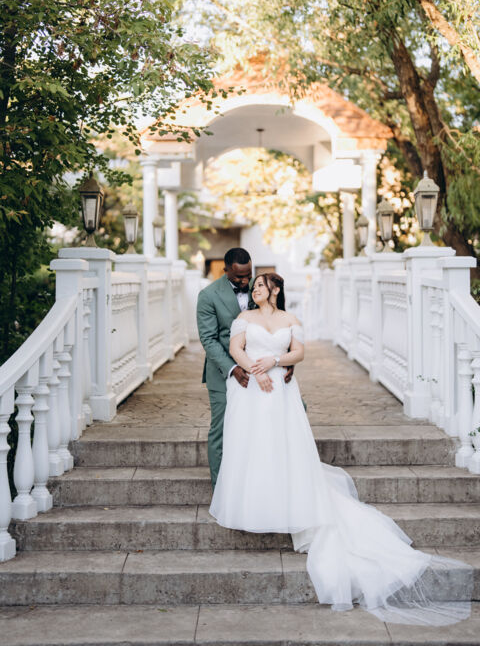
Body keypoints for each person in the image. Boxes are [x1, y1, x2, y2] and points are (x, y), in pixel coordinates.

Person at [210, 272, 473, 626]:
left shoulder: (290, 319)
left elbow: (299, 352)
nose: (255, 289)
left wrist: (276, 362)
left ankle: (288, 498)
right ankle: (254, 501)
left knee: (282, 446)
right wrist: (255, 371)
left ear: (275, 290)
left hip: (282, 391)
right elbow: (235, 349)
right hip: (252, 390)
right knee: (252, 446)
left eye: (260, 285)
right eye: (254, 285)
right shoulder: (245, 318)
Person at [196, 248, 294, 487]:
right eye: (239, 277)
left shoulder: (259, 288)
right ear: (226, 270)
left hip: (264, 369)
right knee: (222, 428)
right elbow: (209, 339)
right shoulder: (208, 295)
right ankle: (221, 489)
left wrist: (286, 359)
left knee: (288, 414)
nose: (245, 282)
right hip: (224, 371)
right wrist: (234, 369)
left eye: (248, 275)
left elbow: (279, 322)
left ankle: (270, 482)